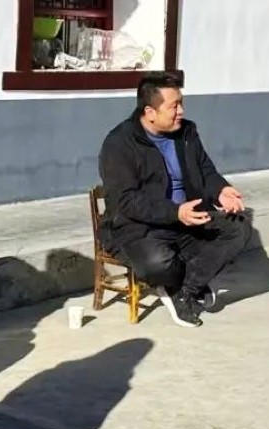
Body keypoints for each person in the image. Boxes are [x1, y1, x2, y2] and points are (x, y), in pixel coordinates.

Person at [99, 73, 253, 327]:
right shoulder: (119, 143)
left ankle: (186, 290)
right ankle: (182, 282)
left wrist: (220, 190)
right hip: (141, 228)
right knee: (157, 263)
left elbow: (205, 170)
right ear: (150, 112)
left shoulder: (186, 132)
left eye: (181, 103)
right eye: (173, 106)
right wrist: (175, 212)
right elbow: (126, 200)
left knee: (238, 228)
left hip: (188, 220)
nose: (181, 111)